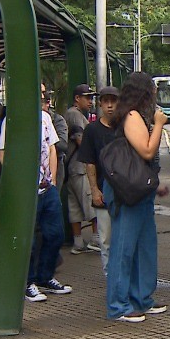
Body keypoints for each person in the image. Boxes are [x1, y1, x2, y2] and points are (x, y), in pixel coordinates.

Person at [105, 72, 169, 323]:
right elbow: (146, 149)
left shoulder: (137, 116)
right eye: (152, 90)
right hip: (126, 192)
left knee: (144, 246)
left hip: (140, 190)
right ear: (144, 93)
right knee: (124, 247)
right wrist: (161, 124)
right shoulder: (132, 116)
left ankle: (141, 298)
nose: (154, 94)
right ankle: (119, 305)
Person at [0, 88, 73, 302]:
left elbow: (52, 148)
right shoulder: (11, 120)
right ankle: (27, 282)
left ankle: (45, 277)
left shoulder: (45, 118)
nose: (42, 96)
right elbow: (3, 154)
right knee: (29, 240)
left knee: (55, 233)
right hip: (26, 190)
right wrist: (19, 181)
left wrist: (52, 179)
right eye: (39, 92)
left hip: (47, 187)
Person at [77, 86, 120, 276]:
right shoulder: (92, 130)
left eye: (114, 101)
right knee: (106, 240)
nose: (110, 106)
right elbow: (89, 162)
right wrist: (94, 190)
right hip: (103, 192)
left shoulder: (127, 127)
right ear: (100, 104)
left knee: (124, 239)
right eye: (106, 101)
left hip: (126, 193)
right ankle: (111, 279)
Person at [64, 83, 99, 254]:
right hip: (80, 166)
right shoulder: (74, 115)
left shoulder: (74, 114)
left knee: (75, 207)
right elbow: (80, 140)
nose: (91, 101)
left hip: (72, 168)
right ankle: (96, 239)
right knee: (92, 202)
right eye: (87, 97)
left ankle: (78, 242)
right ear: (77, 99)